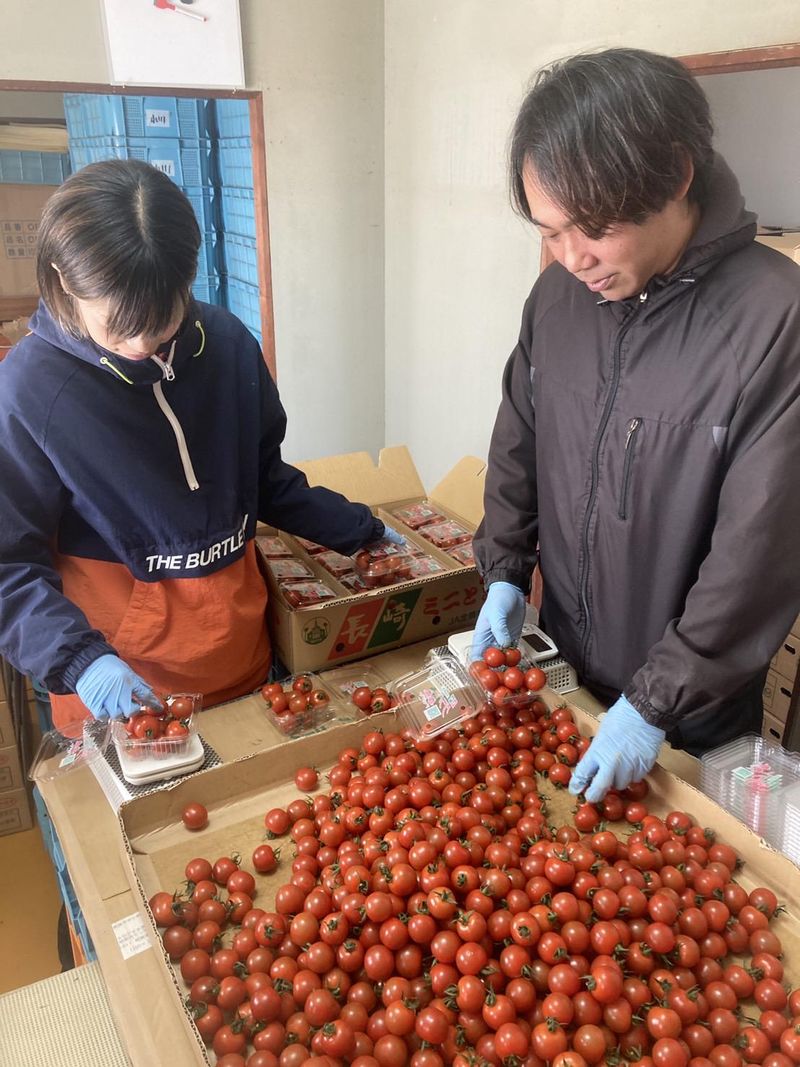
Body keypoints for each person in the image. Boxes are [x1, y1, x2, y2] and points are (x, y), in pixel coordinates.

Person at [471, 48, 800, 801]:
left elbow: (761, 552)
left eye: (592, 228)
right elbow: (519, 439)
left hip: (691, 713)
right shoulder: (557, 300)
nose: (571, 257)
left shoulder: (775, 320)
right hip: (564, 674)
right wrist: (504, 569)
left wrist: (656, 701)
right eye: (551, 231)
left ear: (676, 176)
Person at [0, 159, 403, 730]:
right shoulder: (30, 392)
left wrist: (359, 530)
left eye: (162, 317)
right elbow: (9, 564)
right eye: (119, 323)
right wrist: (79, 661)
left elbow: (263, 480)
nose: (142, 342)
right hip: (128, 690)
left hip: (243, 659)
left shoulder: (227, 344)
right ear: (66, 280)